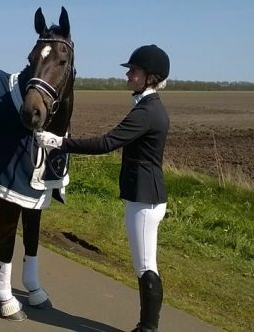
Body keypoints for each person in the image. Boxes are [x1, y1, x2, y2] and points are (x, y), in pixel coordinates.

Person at [36, 44, 170, 332]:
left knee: (145, 266)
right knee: (144, 264)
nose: (128, 76)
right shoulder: (148, 107)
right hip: (145, 195)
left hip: (144, 198)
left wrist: (59, 142)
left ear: (150, 76)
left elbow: (107, 143)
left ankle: (148, 329)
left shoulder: (147, 112)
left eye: (133, 71)